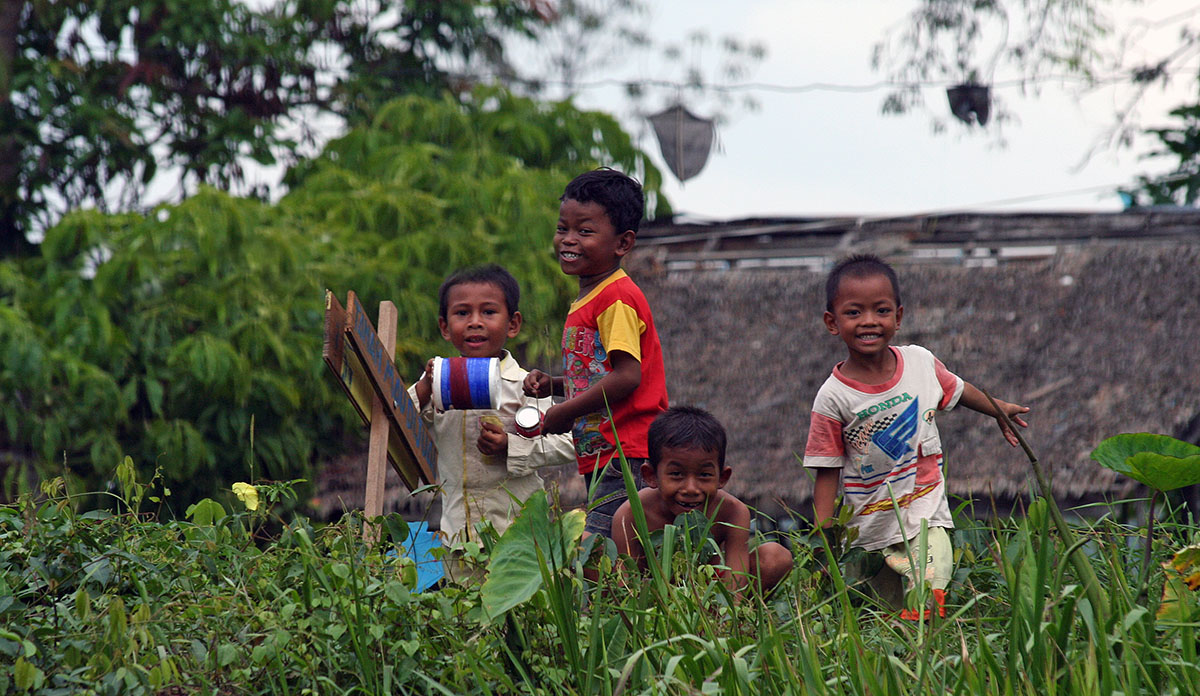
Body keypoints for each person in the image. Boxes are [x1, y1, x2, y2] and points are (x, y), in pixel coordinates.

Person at [804, 253, 1031, 620]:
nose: (869, 322)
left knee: (928, 589)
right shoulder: (833, 397)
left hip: (926, 513)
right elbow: (826, 469)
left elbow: (958, 389)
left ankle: (931, 658)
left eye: (880, 311)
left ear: (899, 317)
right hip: (869, 529)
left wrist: (998, 408)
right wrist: (824, 535)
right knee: (888, 619)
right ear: (832, 322)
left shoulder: (921, 363)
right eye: (853, 313)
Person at [523, 168, 669, 537]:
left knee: (603, 548)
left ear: (623, 243)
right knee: (617, 548)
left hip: (627, 450)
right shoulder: (591, 297)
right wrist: (557, 385)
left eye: (585, 232)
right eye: (563, 229)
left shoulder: (615, 298)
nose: (568, 240)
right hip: (604, 451)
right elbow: (598, 372)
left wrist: (562, 412)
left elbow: (627, 376)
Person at [410, 264, 575, 582]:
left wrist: (510, 447)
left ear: (512, 324)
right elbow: (396, 419)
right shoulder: (436, 381)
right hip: (458, 537)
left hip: (521, 535)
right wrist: (424, 388)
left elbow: (567, 441)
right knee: (465, 622)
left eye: (488, 312)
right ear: (445, 327)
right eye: (462, 313)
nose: (475, 322)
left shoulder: (528, 383)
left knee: (525, 618)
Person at [611, 406, 793, 594]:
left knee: (775, 557)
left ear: (722, 477)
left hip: (710, 597)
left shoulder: (733, 512)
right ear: (651, 476)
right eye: (676, 474)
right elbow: (626, 582)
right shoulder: (631, 514)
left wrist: (729, 618)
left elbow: (736, 578)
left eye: (704, 475)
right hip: (652, 598)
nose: (691, 489)